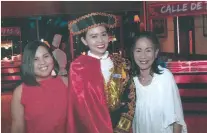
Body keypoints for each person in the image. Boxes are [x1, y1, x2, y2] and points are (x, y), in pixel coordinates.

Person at [67, 12, 136, 133]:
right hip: (90, 128)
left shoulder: (121, 63)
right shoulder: (78, 67)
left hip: (119, 126)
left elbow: (130, 97)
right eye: (93, 36)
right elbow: (78, 107)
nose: (100, 40)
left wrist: (122, 127)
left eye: (103, 34)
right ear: (84, 41)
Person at [130, 31, 187, 133]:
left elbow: (177, 119)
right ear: (133, 53)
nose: (143, 56)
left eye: (148, 50)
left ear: (156, 53)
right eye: (138, 51)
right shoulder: (130, 80)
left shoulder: (165, 77)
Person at [11, 40, 68, 133]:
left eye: (46, 56)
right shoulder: (20, 92)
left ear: (52, 58)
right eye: (35, 59)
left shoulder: (66, 83)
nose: (42, 62)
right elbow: (18, 127)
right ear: (28, 63)